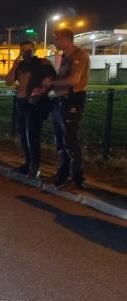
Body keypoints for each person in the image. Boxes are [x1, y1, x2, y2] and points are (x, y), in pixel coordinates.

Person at [5, 40, 56, 178]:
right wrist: (14, 66)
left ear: (34, 50)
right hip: (22, 103)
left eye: (29, 50)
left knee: (32, 134)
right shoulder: (20, 66)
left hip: (36, 103)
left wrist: (40, 92)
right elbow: (8, 81)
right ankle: (28, 163)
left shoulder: (43, 63)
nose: (27, 53)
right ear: (20, 51)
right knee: (23, 134)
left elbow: (52, 80)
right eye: (24, 50)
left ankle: (35, 166)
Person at [49, 27, 90, 190]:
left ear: (66, 39)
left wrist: (52, 83)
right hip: (60, 101)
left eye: (57, 38)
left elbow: (73, 80)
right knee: (60, 141)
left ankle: (77, 178)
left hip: (72, 101)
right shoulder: (65, 57)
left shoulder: (79, 56)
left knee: (71, 141)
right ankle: (62, 174)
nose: (55, 42)